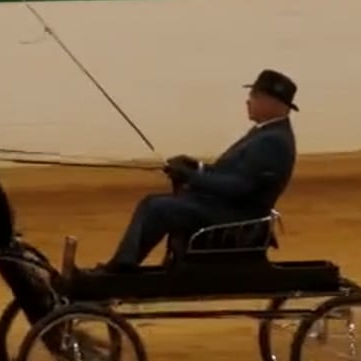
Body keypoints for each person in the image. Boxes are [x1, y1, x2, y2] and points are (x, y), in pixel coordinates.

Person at [96, 69, 298, 272]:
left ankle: (122, 268)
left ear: (272, 103)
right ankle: (124, 263)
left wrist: (191, 177)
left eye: (254, 96)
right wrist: (196, 167)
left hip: (236, 217)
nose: (248, 101)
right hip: (230, 209)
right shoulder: (266, 133)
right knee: (154, 204)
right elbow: (231, 174)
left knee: (157, 207)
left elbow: (240, 187)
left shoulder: (272, 141)